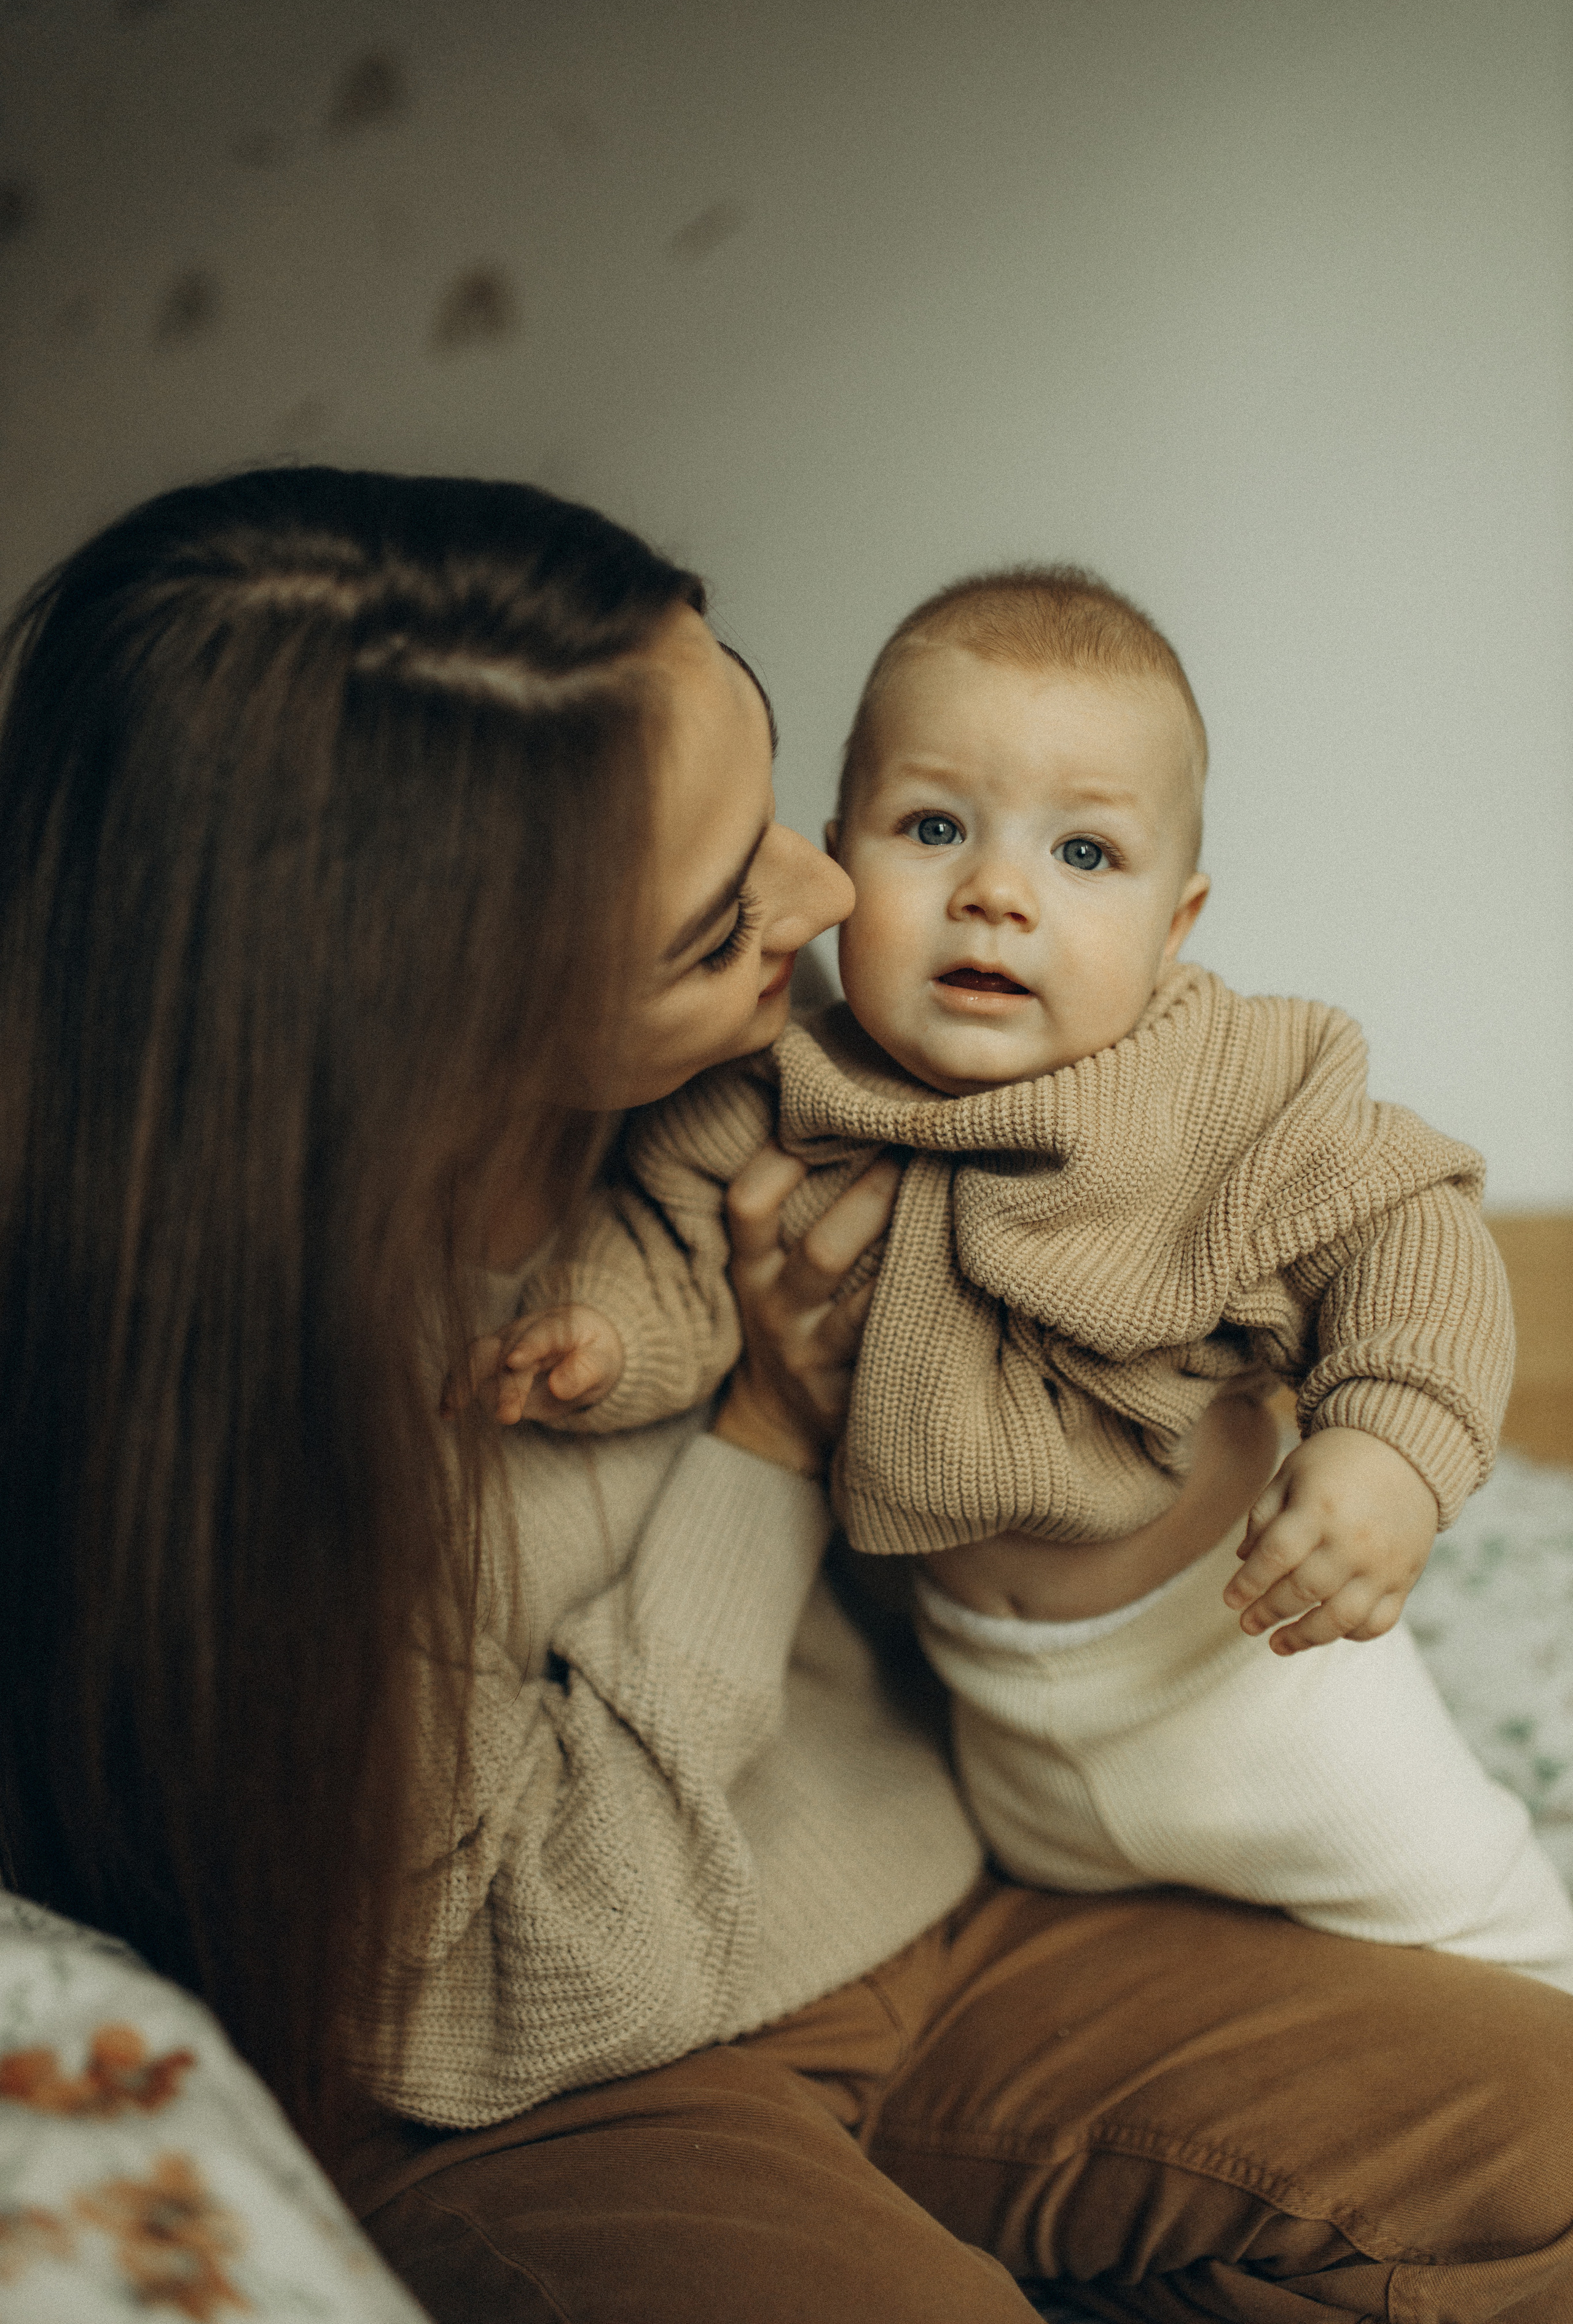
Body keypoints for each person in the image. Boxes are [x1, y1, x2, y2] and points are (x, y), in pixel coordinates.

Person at [1, 473, 1570, 2324]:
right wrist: (764, 1438)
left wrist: (1314, 1438)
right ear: (440, 1011)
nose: (831, 896)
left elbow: (1350, 1221)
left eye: (780, 809)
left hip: (956, 1909)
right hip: (558, 2087)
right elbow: (523, 2002)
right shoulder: (250, 1450)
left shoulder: (822, 1079)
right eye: (719, 908)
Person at [462, 562, 1573, 1993]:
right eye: (932, 829)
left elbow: (1407, 1240)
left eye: (1084, 857)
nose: (993, 894)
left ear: (1177, 925)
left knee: (1501, 1948)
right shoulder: (786, 1078)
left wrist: (1386, 1452)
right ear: (836, 855)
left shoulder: (1231, 1086)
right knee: (1125, 1976)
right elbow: (677, 1245)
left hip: (1247, 1678)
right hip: (988, 1727)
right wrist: (603, 1334)